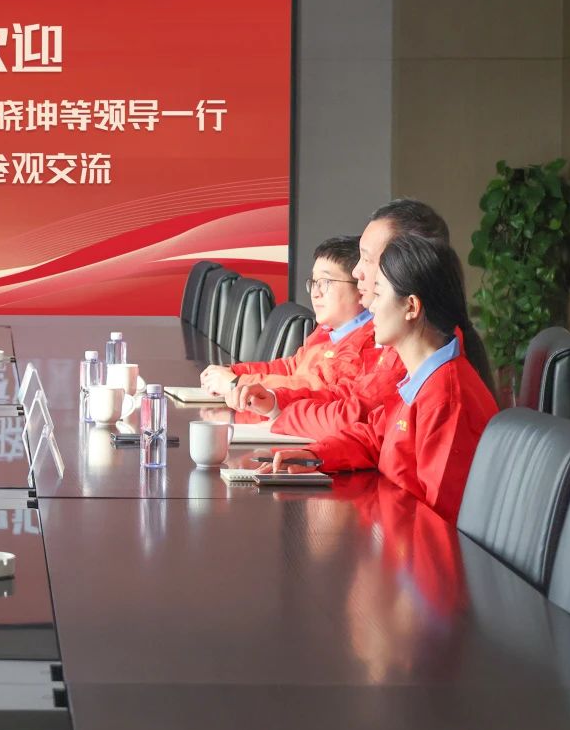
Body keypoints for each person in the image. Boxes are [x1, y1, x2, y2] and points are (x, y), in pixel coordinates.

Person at [259, 234, 499, 523]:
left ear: (411, 307)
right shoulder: (420, 378)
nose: (370, 306)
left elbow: (439, 520)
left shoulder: (446, 398)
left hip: (407, 545)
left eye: (379, 293)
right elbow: (374, 436)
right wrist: (314, 456)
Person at [230, 198, 496, 435]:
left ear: (406, 265)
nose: (356, 271)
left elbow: (355, 416)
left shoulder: (418, 355)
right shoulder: (400, 338)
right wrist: (277, 404)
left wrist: (276, 408)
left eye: (367, 259)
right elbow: (367, 429)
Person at [199, 236, 367, 400]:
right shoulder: (328, 330)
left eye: (326, 282)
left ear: (361, 288)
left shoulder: (365, 344)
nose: (315, 293)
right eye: (314, 282)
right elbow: (291, 368)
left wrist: (238, 383)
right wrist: (234, 372)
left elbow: (314, 389)